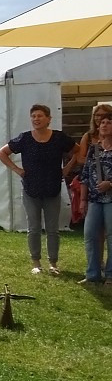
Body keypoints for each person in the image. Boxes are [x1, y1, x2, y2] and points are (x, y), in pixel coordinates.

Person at [0, 104, 75, 275]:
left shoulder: (59, 138)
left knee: (53, 228)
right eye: (33, 116)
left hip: (52, 187)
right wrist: (17, 170)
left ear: (48, 119)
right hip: (31, 188)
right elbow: (2, 153)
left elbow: (78, 150)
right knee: (34, 227)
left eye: (40, 116)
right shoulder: (24, 138)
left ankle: (53, 263)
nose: (36, 119)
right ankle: (36, 263)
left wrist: (68, 167)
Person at [78, 110, 112, 284]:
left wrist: (110, 184)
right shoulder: (94, 149)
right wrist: (83, 200)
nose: (104, 125)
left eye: (108, 122)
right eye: (102, 122)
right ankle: (93, 274)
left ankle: (111, 275)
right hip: (94, 199)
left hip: (111, 200)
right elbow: (84, 175)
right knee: (90, 235)